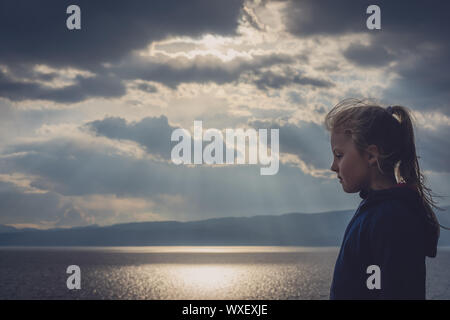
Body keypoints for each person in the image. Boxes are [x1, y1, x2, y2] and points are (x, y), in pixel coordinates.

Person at [325, 98, 442, 300]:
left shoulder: (391, 218)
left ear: (371, 155)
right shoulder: (376, 211)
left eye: (339, 155)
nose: (333, 166)